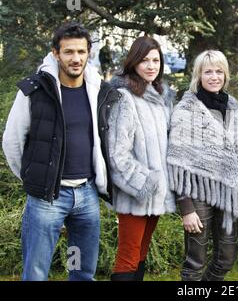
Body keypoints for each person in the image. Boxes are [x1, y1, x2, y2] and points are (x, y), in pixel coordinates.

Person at [2, 22, 111, 281]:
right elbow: (12, 141)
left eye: (81, 52)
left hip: (87, 195)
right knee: (36, 273)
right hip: (47, 199)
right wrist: (37, 179)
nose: (76, 58)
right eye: (69, 52)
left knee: (82, 271)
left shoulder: (97, 91)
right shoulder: (35, 90)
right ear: (55, 53)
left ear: (89, 53)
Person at [167, 50, 238, 281]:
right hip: (197, 195)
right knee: (195, 261)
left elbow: (237, 153)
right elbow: (177, 161)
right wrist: (186, 208)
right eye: (208, 71)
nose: (214, 77)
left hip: (228, 194)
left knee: (226, 258)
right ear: (198, 75)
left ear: (225, 75)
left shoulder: (233, 107)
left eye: (219, 71)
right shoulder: (185, 110)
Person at [107, 36, 176, 281]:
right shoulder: (124, 98)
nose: (151, 65)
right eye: (145, 60)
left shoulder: (160, 98)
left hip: (155, 193)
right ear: (134, 62)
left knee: (141, 254)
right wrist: (145, 184)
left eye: (156, 60)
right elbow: (117, 154)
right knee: (128, 256)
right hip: (135, 192)